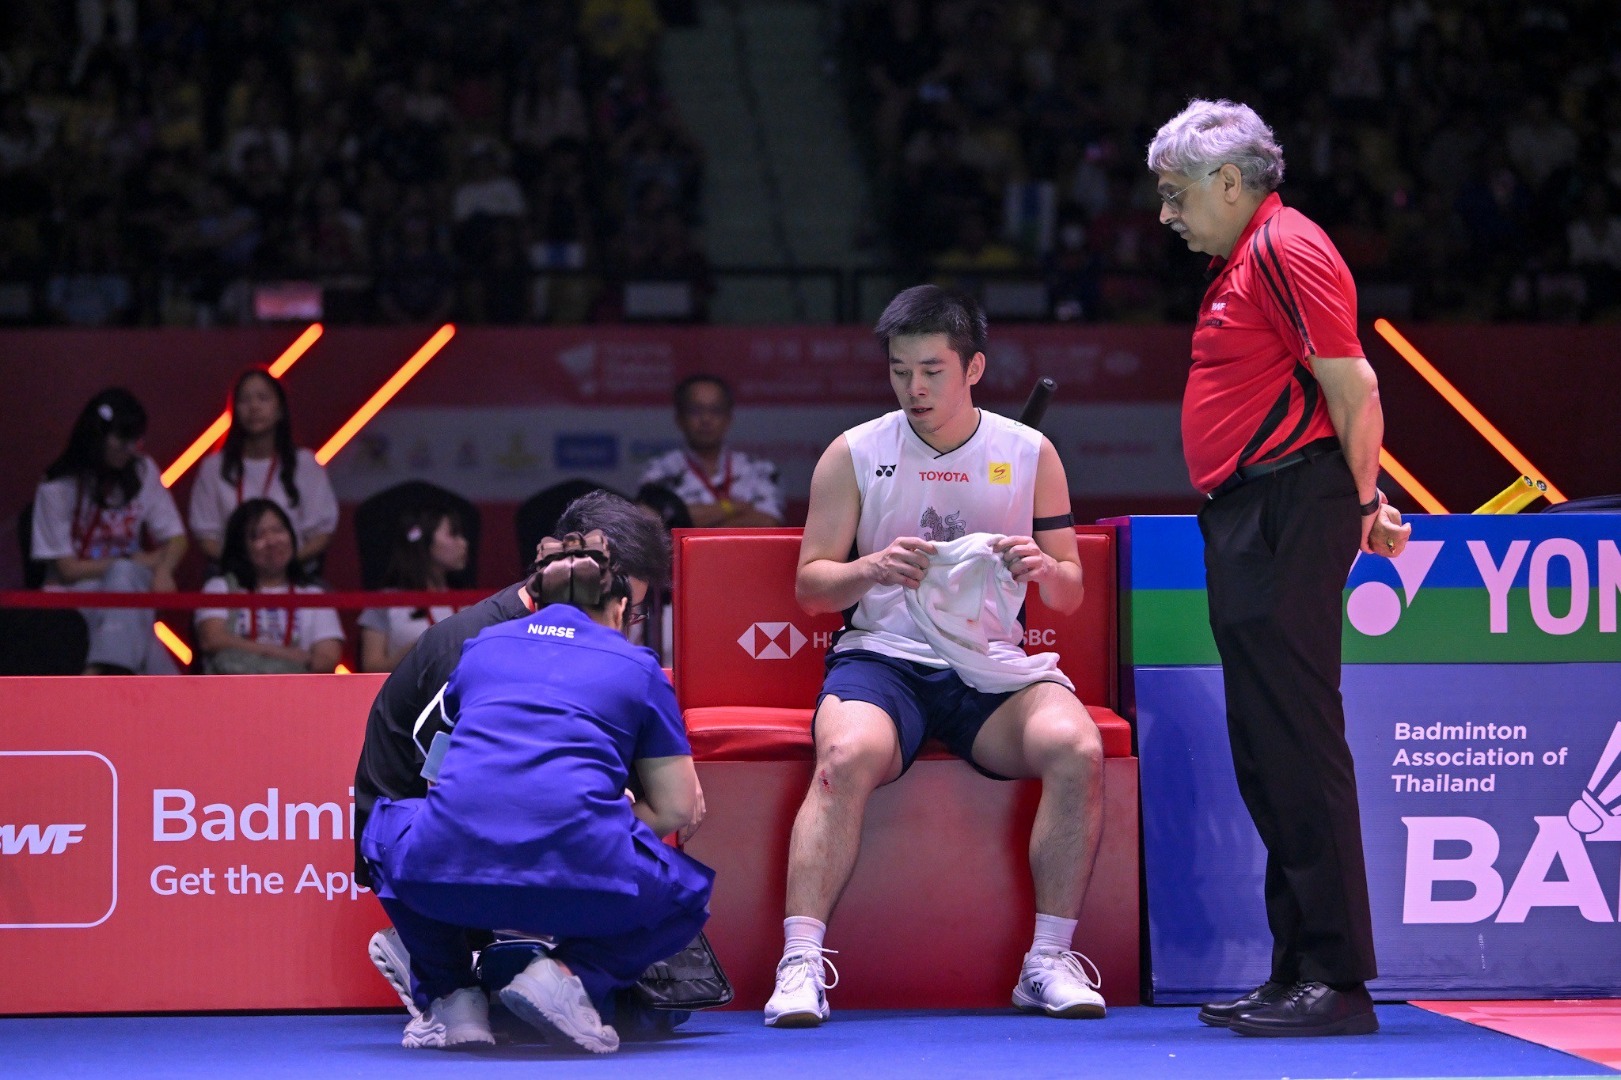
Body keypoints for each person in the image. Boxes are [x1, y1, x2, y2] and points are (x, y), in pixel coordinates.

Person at [763, 285, 1107, 1028]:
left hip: (991, 668)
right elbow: (811, 589)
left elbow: (1071, 591)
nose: (913, 388)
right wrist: (872, 567)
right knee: (842, 757)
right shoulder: (854, 452)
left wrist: (1044, 570)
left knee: (1078, 748)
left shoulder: (1029, 453)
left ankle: (1047, 962)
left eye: (931, 370)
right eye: (899, 371)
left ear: (973, 367)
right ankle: (799, 962)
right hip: (883, 659)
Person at [1146, 99, 1412, 1038]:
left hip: (1290, 505)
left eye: (1175, 195)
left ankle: (1336, 981)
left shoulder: (1284, 247)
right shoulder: (1242, 258)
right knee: (1266, 751)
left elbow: (1353, 383)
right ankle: (1294, 967)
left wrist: (1364, 503)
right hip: (1251, 511)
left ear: (1228, 182)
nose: (1166, 215)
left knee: (1298, 743)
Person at [358, 528, 707, 1054]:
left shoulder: (481, 648)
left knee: (384, 828)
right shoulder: (638, 667)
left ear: (534, 599)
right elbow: (679, 807)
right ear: (619, 608)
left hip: (454, 876)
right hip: (577, 882)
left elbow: (435, 773)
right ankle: (569, 977)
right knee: (686, 893)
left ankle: (452, 997)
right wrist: (597, 821)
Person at [29, 387, 188, 675]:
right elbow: (67, 569)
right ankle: (108, 672)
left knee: (125, 585)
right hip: (72, 600)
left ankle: (99, 671)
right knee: (160, 669)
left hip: (129, 593)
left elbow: (176, 539)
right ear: (97, 435)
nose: (130, 449)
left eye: (135, 440)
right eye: (122, 439)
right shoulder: (56, 485)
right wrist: (131, 561)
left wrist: (164, 570)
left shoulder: (142, 470)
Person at [187, 367, 339, 571]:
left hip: (294, 572)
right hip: (232, 574)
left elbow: (322, 532)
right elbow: (206, 536)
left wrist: (282, 566)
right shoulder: (213, 468)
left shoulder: (305, 464)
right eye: (244, 400)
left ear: (280, 409)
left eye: (263, 398)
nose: (254, 407)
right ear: (234, 410)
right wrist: (244, 567)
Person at [194, 498, 343, 674]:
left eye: (278, 530)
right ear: (241, 547)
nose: (272, 541)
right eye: (258, 535)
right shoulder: (220, 587)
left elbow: (326, 659)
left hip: (294, 690)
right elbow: (212, 639)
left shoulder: (315, 594)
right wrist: (285, 654)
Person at [638, 374, 783, 527]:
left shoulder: (759, 469)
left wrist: (694, 523)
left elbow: (769, 522)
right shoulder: (659, 471)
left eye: (716, 410)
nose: (706, 419)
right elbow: (656, 523)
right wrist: (733, 507)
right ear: (679, 418)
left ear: (729, 418)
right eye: (695, 410)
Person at [358, 508, 471, 673]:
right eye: (453, 534)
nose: (463, 543)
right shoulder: (385, 602)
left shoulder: (468, 602)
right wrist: (411, 656)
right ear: (425, 540)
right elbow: (370, 668)